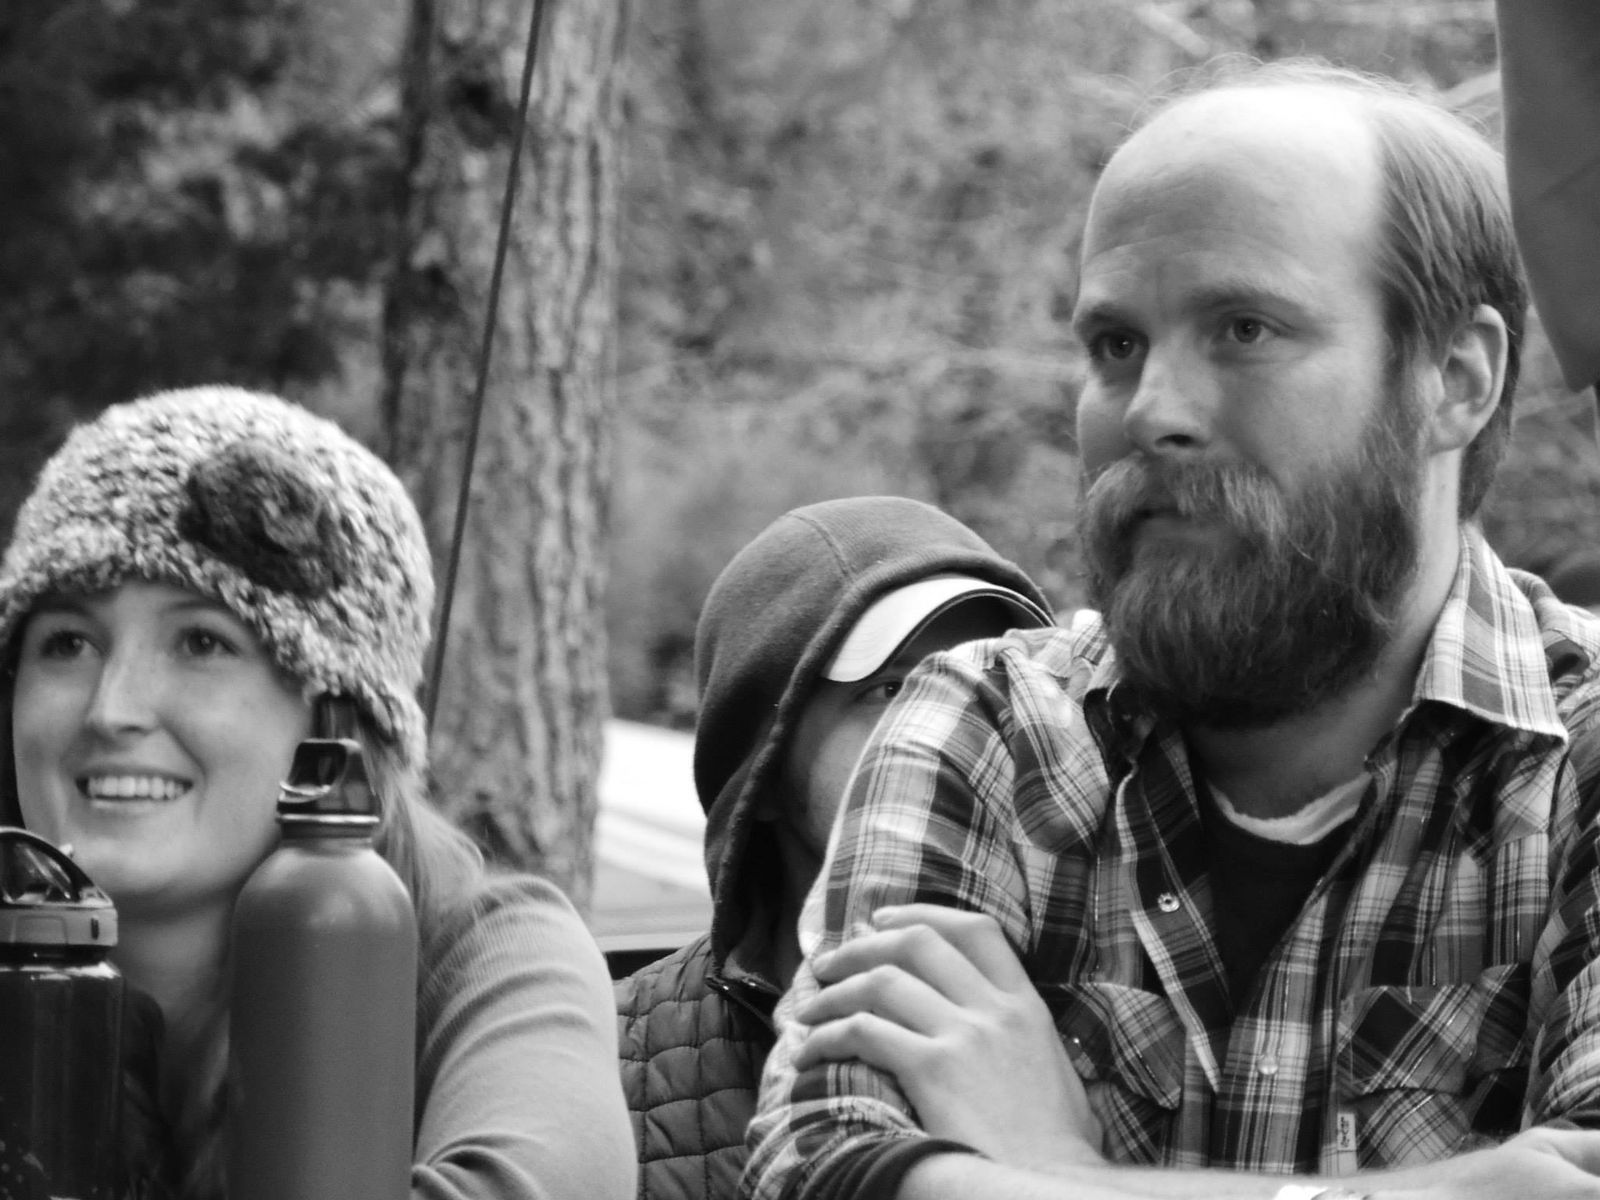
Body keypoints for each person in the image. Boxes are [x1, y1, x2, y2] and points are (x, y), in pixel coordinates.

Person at [743, 60, 1600, 1200]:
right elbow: (824, 1170)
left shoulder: (1576, 762)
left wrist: (1058, 1172)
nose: (1152, 410)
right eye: (1115, 345)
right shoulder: (986, 733)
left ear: (1454, 377)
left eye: (1244, 330)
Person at [0, 386, 635, 1200]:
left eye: (202, 642)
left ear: (337, 718)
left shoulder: (479, 956)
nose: (111, 709)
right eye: (67, 642)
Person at [613, 495, 1054, 1199]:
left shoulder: (1124, 1018)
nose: (957, 728)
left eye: (994, 685)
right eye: (892, 689)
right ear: (763, 776)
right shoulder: (608, 1068)